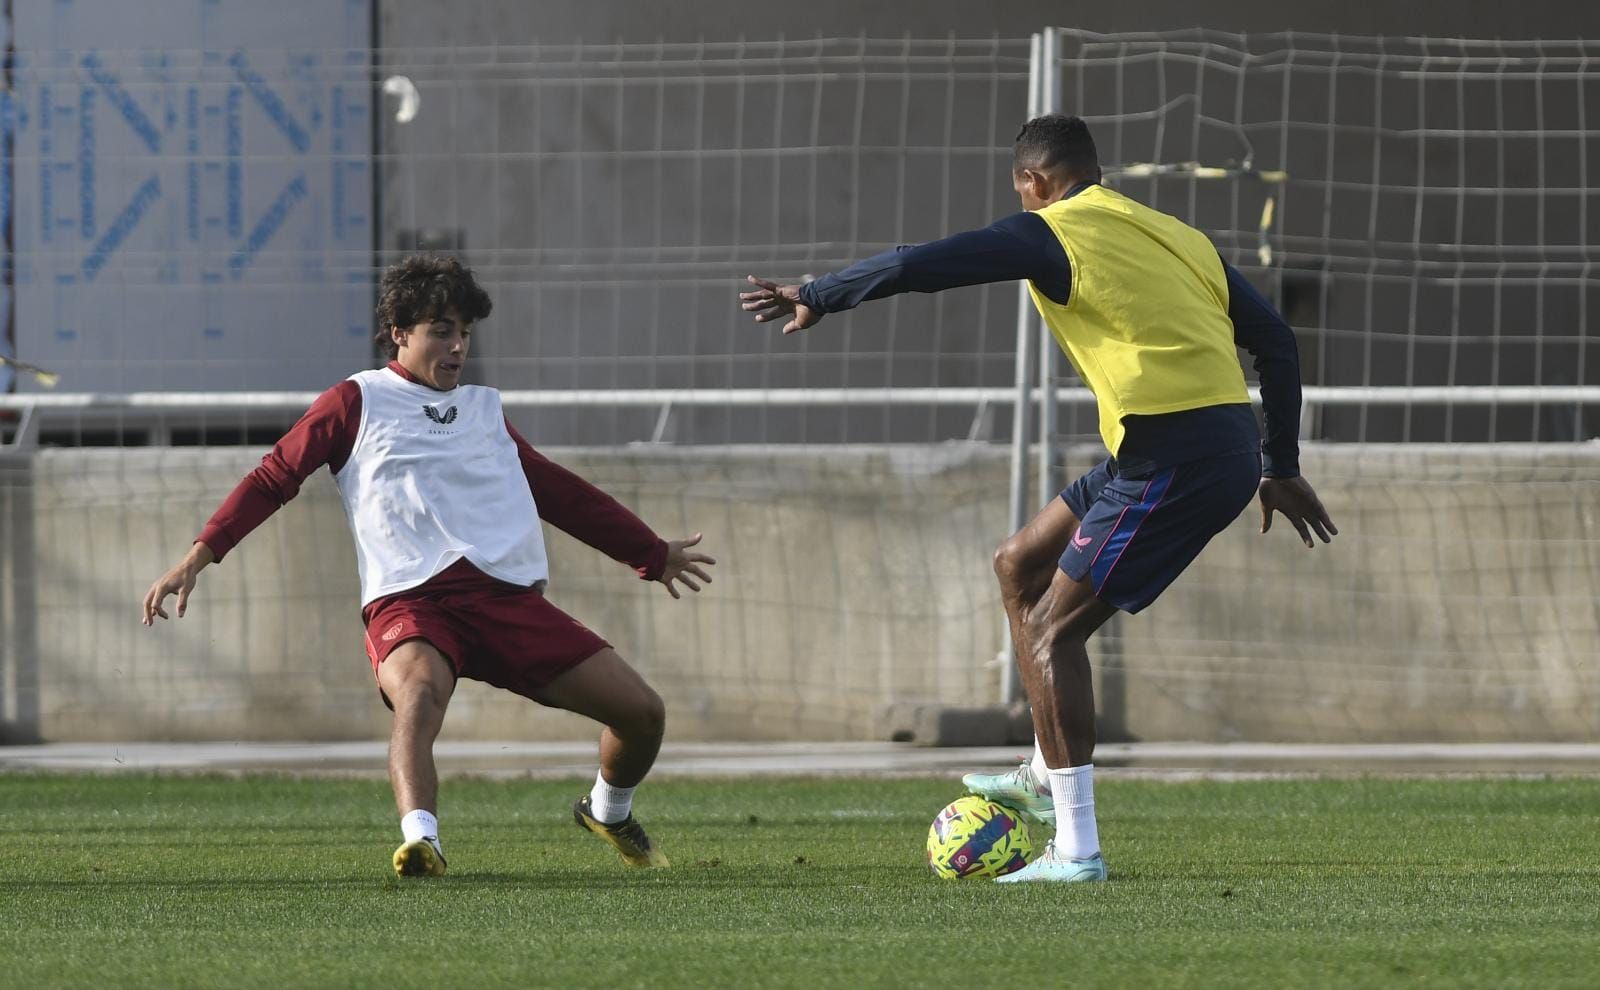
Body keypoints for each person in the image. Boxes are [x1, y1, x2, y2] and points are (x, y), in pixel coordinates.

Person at [740, 114, 1336, 883]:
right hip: (1176, 445)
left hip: (1173, 456)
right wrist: (1277, 461)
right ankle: (1039, 771)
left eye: (1022, 189)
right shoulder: (1177, 234)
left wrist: (821, 292)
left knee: (1054, 634)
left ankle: (1077, 849)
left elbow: (926, 262)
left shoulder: (1051, 230)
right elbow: (1277, 341)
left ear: (1033, 182)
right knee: (1018, 563)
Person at [142, 254, 715, 878]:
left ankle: (607, 810)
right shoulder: (354, 402)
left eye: (463, 332)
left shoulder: (484, 412)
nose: (457, 345)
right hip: (411, 603)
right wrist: (201, 553)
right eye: (441, 329)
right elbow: (274, 476)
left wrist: (650, 553)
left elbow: (558, 492)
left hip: (505, 603)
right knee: (418, 693)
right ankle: (422, 840)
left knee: (643, 714)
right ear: (401, 332)